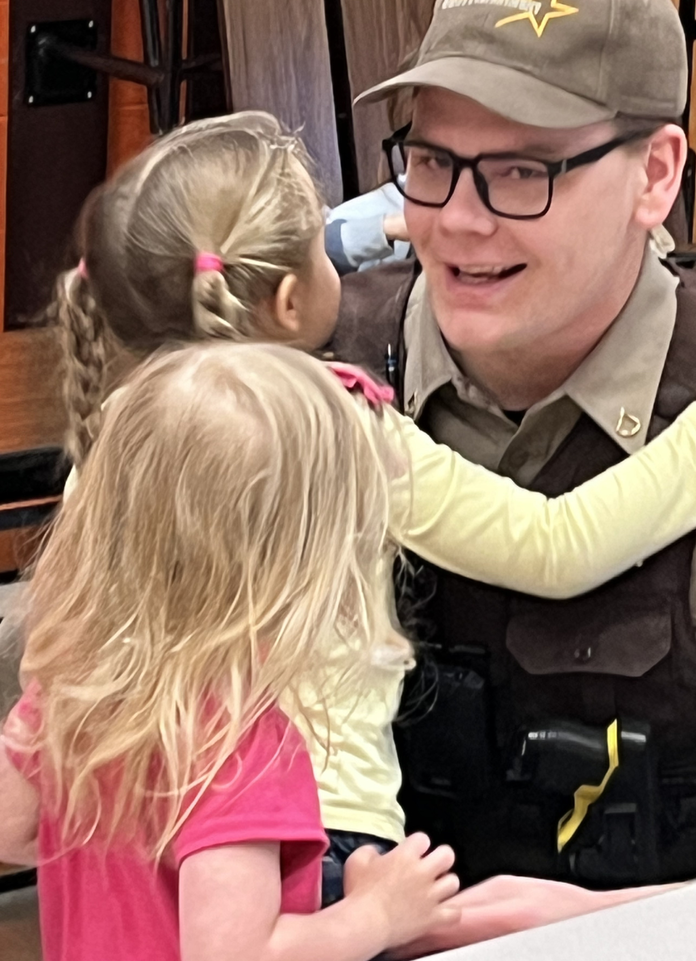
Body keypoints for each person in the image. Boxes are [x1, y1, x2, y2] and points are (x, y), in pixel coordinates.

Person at [35, 108, 696, 922]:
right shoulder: (337, 428)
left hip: (130, 820)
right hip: (317, 835)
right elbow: (555, 544)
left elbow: (60, 648)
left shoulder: (109, 436)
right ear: (291, 299)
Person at [329, 0, 696, 889]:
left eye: (521, 170)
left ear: (654, 176)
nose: (457, 219)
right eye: (430, 160)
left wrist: (633, 931)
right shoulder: (303, 393)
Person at [0, 342, 461, 961]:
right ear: (298, 575)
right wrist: (375, 915)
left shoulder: (73, 692)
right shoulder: (240, 748)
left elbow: (11, 827)